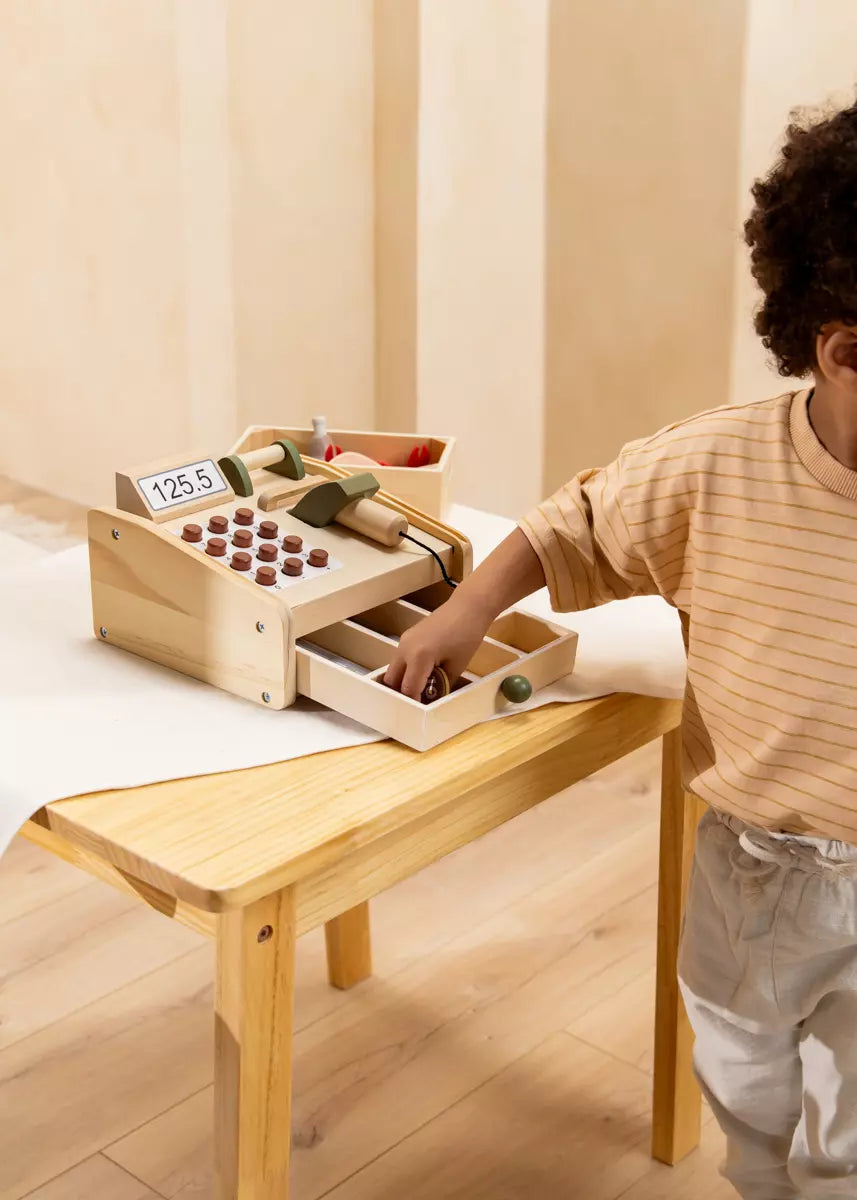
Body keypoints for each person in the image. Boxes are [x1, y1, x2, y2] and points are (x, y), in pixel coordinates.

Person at [383, 99, 857, 1199]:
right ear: (839, 350)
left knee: (849, 1143)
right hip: (755, 869)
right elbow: (570, 525)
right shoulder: (715, 470)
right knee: (744, 1079)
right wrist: (462, 614)